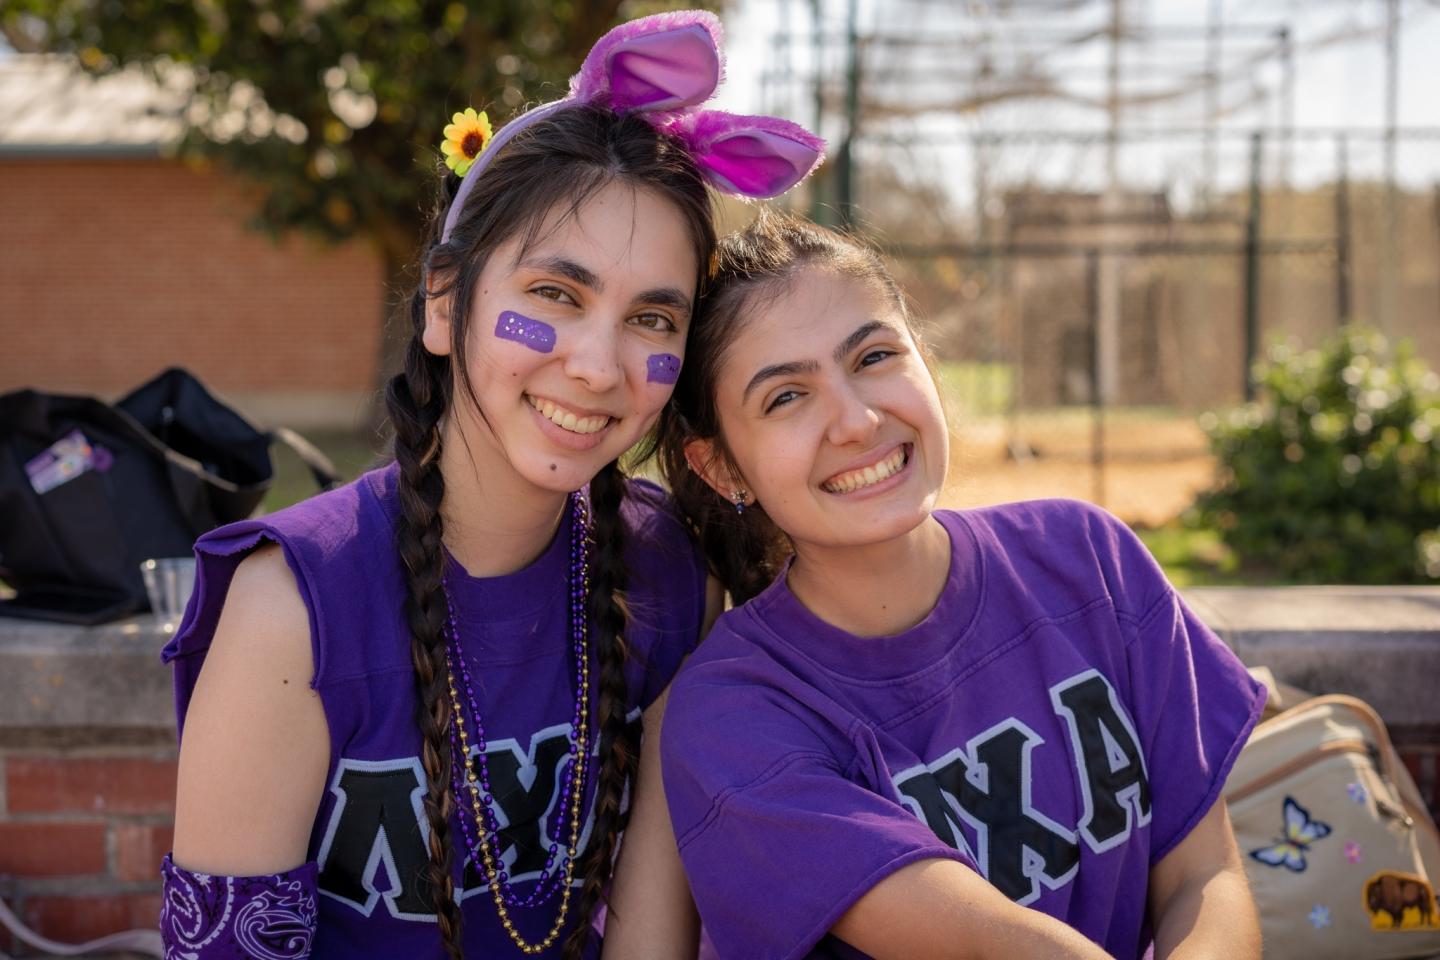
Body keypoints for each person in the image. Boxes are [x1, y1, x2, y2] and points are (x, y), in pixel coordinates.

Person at [158, 14, 822, 959]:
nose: (598, 365)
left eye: (653, 318)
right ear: (443, 302)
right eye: (556, 294)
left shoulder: (676, 574)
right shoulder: (291, 607)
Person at [654, 211, 1266, 960]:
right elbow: (997, 945)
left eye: (875, 356)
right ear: (722, 468)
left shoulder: (1088, 560)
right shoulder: (734, 713)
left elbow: (1207, 876)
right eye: (786, 397)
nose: (857, 419)